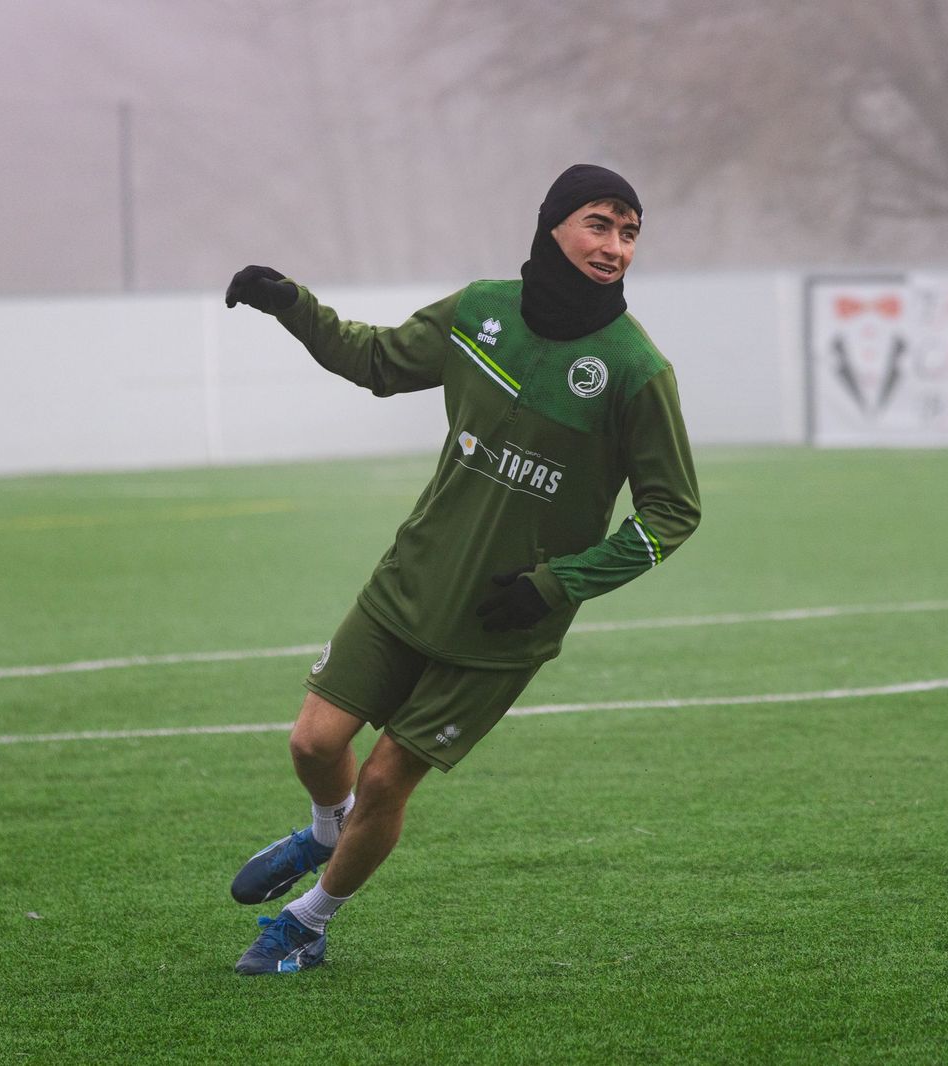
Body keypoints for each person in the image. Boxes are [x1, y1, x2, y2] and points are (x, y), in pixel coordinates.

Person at [222, 163, 701, 975]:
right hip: (410, 581)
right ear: (553, 224)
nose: (615, 246)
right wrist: (291, 306)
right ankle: (324, 830)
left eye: (629, 232)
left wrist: (557, 585)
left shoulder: (634, 369)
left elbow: (672, 513)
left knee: (384, 778)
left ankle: (306, 922)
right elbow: (375, 362)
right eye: (599, 223)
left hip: (502, 624)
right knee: (313, 744)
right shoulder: (481, 311)